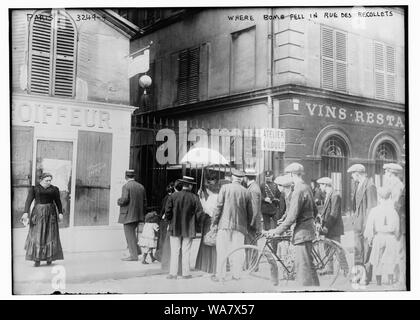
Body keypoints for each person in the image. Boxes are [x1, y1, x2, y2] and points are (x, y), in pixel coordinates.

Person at [265, 163, 319, 287]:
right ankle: (318, 291)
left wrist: (276, 231)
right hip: (308, 231)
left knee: (303, 271)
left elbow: (292, 216)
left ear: (291, 174)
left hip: (302, 233)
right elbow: (315, 211)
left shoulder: (298, 190)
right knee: (310, 267)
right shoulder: (307, 187)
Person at [211, 169, 253, 281]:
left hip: (224, 225)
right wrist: (247, 226)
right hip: (240, 226)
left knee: (222, 251)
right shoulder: (246, 191)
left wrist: (214, 222)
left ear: (232, 178)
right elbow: (250, 212)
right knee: (237, 250)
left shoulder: (224, 188)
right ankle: (236, 275)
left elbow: (218, 207)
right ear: (242, 179)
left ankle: (220, 275)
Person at [21, 173, 64, 267]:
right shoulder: (35, 189)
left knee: (51, 234)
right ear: (41, 180)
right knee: (38, 235)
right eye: (46, 180)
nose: (49, 182)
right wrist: (25, 212)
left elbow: (58, 202)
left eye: (50, 180)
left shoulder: (54, 189)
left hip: (51, 214)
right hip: (38, 213)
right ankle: (37, 259)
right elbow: (28, 201)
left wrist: (60, 213)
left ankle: (50, 257)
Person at [165, 176, 203, 279]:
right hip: (189, 228)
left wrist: (170, 221)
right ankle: (186, 273)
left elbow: (167, 212)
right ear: (190, 186)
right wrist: (197, 224)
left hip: (174, 227)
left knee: (175, 251)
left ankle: (173, 273)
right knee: (186, 251)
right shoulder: (195, 197)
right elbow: (199, 213)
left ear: (182, 185)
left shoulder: (173, 196)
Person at [347, 164, 377, 284]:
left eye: (353, 175)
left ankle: (365, 277)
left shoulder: (370, 186)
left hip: (366, 224)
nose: (352, 177)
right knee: (358, 250)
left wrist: (369, 227)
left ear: (357, 174)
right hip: (358, 224)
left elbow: (372, 208)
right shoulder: (358, 185)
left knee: (366, 251)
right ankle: (358, 275)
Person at [364, 187, 399, 286]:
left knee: (377, 259)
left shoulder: (374, 210)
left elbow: (369, 226)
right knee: (390, 259)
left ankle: (378, 282)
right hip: (390, 236)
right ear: (389, 198)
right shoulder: (393, 211)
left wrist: (370, 238)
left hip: (379, 236)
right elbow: (397, 228)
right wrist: (396, 237)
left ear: (379, 198)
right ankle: (390, 280)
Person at [383, 163, 406, 286]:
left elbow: (397, 206)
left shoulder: (397, 185)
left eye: (386, 172)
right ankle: (397, 277)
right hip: (395, 220)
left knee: (399, 251)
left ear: (391, 173)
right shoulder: (393, 184)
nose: (384, 174)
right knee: (395, 250)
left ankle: (401, 279)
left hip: (398, 222)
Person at [117, 169, 147, 261]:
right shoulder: (141, 187)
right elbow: (145, 202)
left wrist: (119, 201)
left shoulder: (126, 186)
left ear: (126, 176)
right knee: (133, 235)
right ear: (134, 176)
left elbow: (125, 200)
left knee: (129, 236)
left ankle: (133, 256)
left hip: (128, 215)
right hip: (138, 215)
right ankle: (137, 251)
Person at [195, 176, 220, 274]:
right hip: (214, 221)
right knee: (213, 242)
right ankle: (214, 265)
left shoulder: (212, 197)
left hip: (209, 221)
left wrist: (201, 199)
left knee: (208, 241)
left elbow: (207, 210)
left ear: (208, 189)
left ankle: (208, 265)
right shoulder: (217, 196)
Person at [316, 177, 344, 242]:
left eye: (320, 185)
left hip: (334, 230)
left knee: (335, 250)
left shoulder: (335, 195)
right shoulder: (328, 195)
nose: (320, 187)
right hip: (329, 229)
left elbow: (334, 214)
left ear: (325, 185)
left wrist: (326, 226)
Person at [156, 182, 174, 263]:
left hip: (163, 220)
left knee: (162, 238)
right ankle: (162, 256)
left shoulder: (166, 197)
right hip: (166, 220)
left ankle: (160, 255)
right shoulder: (170, 198)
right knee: (164, 238)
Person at [244, 169, 263, 241]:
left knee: (251, 243)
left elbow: (254, 208)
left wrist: (251, 223)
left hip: (253, 222)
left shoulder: (253, 189)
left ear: (246, 178)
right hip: (254, 221)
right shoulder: (254, 187)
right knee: (252, 243)